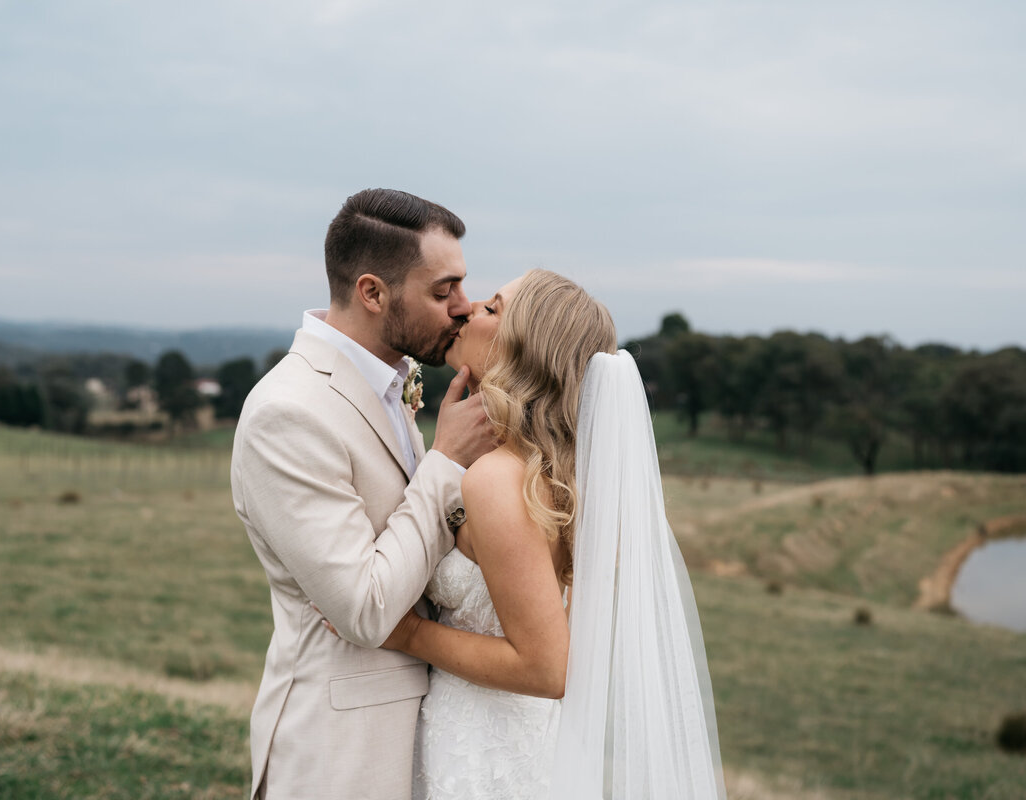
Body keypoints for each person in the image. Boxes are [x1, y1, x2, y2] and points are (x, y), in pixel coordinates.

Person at [371, 269, 728, 799]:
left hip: (483, 755)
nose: (467, 310)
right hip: (526, 742)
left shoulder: (498, 480)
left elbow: (545, 667)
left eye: (492, 309)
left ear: (526, 351)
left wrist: (407, 635)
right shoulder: (557, 477)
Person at [231, 188, 497, 800]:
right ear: (373, 293)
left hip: (431, 736)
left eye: (462, 286)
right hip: (341, 754)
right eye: (441, 291)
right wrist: (447, 460)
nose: (463, 307)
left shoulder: (390, 382)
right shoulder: (288, 413)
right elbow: (364, 609)